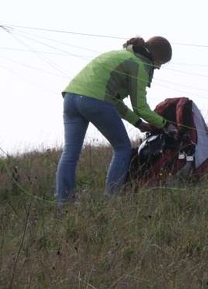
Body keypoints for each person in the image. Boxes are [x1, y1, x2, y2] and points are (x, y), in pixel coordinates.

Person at [55, 36, 173, 205]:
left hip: (71, 98)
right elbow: (141, 107)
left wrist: (138, 124)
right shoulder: (138, 65)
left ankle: (63, 204)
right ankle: (112, 199)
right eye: (161, 63)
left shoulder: (121, 55)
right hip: (94, 100)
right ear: (157, 57)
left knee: (70, 154)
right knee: (122, 148)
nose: (159, 68)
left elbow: (115, 101)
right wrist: (165, 125)